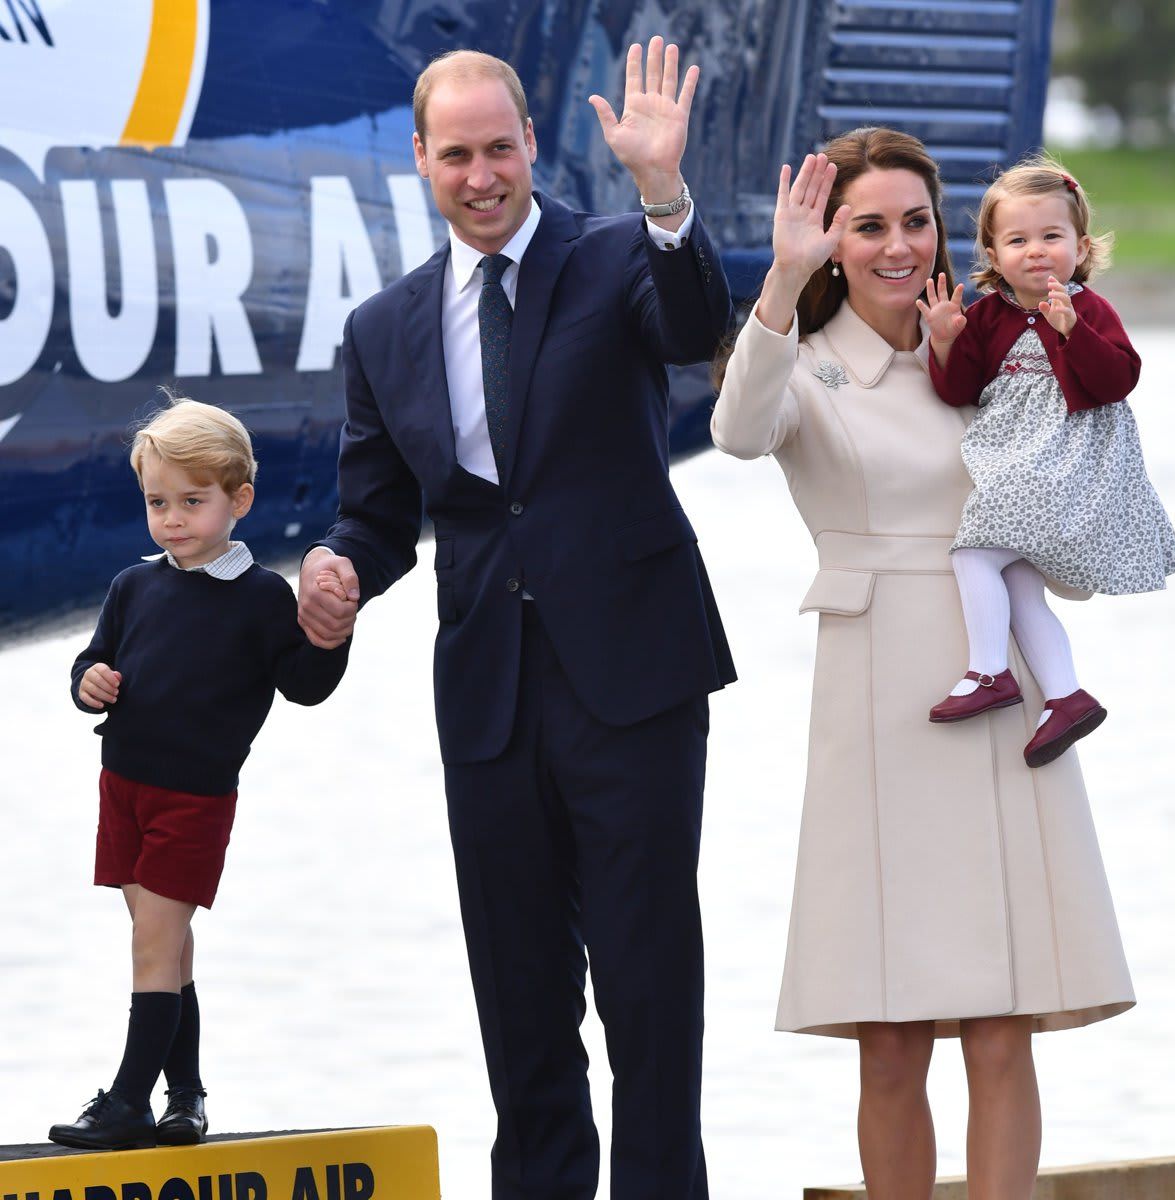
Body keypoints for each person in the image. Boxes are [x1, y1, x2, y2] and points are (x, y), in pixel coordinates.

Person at [297, 41, 734, 1200]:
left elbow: (692, 327)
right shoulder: (382, 327)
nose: (482, 174)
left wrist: (663, 189)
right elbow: (379, 516)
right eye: (458, 155)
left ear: (534, 145)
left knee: (646, 984)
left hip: (633, 673)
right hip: (488, 691)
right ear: (421, 160)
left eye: (501, 149)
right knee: (519, 992)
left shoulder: (610, 254)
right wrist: (341, 571)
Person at [710, 129, 1134, 1199]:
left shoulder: (1009, 351)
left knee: (1002, 1024)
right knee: (889, 1038)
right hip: (876, 697)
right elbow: (738, 431)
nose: (898, 246)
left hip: (1006, 701)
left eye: (915, 222)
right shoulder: (802, 363)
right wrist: (783, 275)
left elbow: (1068, 503)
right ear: (833, 243)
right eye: (868, 226)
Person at [53, 398, 349, 1152]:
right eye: (158, 502)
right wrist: (89, 680)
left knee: (153, 947)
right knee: (171, 950)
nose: (173, 518)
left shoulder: (260, 598)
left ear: (239, 500)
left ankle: (126, 1102)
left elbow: (304, 684)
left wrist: (331, 635)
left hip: (193, 798)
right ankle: (184, 1099)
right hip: (122, 786)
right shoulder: (133, 584)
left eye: (193, 500)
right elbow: (94, 659)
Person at [918, 154, 1175, 765]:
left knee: (974, 550)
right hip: (1017, 463)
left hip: (1067, 467)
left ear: (1081, 245)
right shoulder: (987, 315)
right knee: (1017, 580)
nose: (1036, 251)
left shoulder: (1088, 308)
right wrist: (943, 338)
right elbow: (958, 391)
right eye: (1017, 239)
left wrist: (1070, 331)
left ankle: (989, 672)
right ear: (991, 252)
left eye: (1051, 236)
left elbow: (1117, 381)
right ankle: (1064, 695)